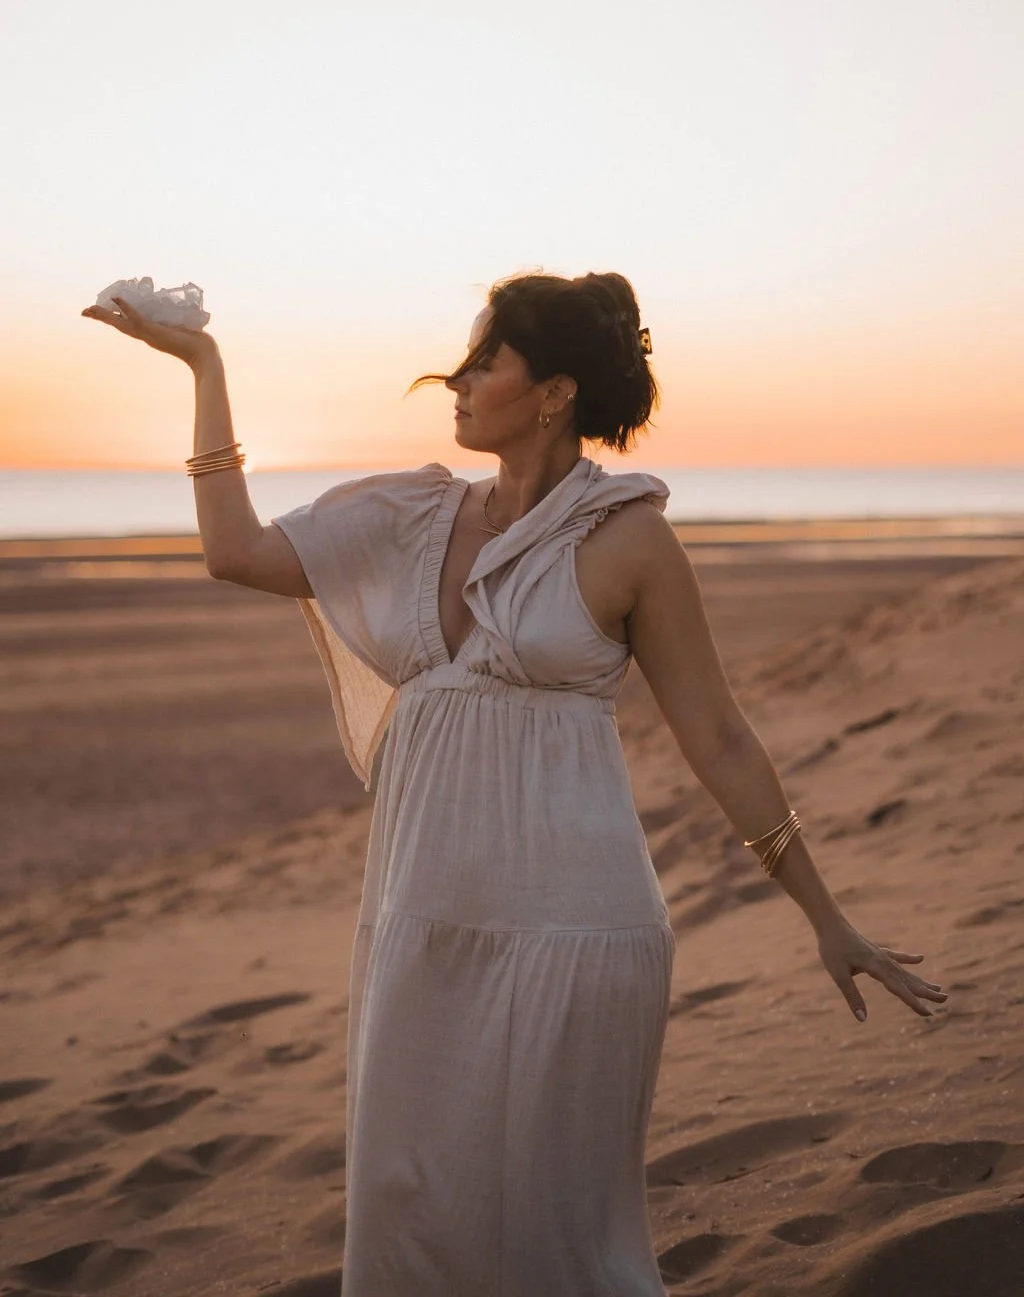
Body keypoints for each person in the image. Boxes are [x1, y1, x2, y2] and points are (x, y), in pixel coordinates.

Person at [83, 269, 947, 1295]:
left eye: (487, 357)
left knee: (554, 1245)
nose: (456, 377)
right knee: (407, 1224)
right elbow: (235, 552)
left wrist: (824, 914)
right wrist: (204, 366)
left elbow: (716, 735)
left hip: (576, 938)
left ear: (555, 391)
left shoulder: (629, 540)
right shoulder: (404, 517)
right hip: (420, 926)